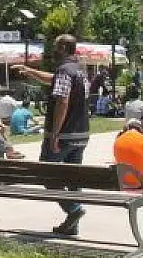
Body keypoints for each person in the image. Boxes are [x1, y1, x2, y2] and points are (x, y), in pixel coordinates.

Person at [12, 34, 89, 237]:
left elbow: (62, 101)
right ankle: (73, 224)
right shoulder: (79, 70)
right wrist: (30, 71)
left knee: (45, 173)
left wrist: (55, 133)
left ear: (63, 48)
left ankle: (74, 209)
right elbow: (55, 80)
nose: (53, 49)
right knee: (73, 178)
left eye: (55, 46)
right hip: (81, 134)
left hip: (63, 135)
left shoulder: (65, 70)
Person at [113, 119, 143, 189]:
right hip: (140, 181)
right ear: (140, 128)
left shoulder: (117, 141)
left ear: (126, 128)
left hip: (123, 181)